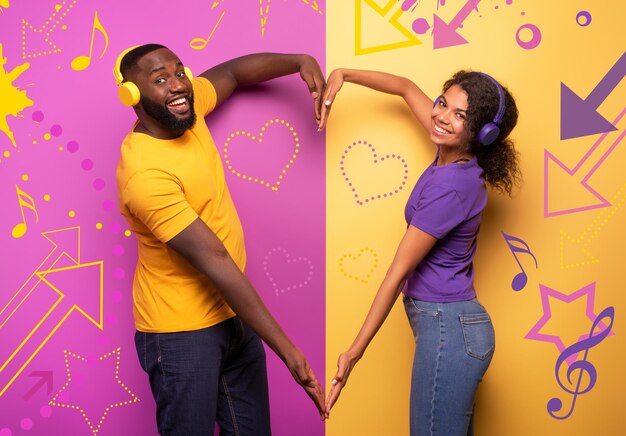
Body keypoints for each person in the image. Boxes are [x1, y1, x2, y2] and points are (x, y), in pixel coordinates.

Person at [114, 43, 326, 435]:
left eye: (180, 72)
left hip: (234, 314)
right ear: (132, 94)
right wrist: (289, 352)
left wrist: (299, 60)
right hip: (180, 333)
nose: (179, 85)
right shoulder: (144, 175)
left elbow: (231, 72)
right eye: (159, 80)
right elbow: (216, 260)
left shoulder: (186, 115)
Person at [318, 68, 520, 435]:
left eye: (460, 115)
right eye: (443, 103)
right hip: (454, 326)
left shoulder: (451, 187)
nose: (442, 116)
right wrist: (343, 73)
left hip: (448, 328)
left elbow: (398, 273)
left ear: (482, 133)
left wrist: (354, 351)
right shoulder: (452, 155)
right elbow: (405, 87)